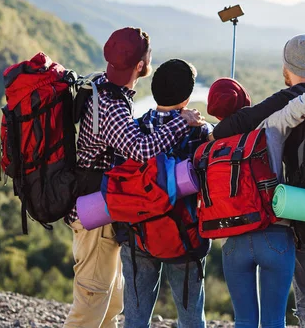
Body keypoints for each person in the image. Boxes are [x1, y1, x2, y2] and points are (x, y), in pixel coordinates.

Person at [210, 34, 305, 327]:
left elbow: (239, 125)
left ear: (287, 65)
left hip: (303, 216)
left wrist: (209, 133)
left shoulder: (276, 115)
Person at [63, 28, 203, 328]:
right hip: (94, 214)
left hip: (108, 208)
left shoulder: (104, 87)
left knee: (112, 302)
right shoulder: (112, 106)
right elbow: (141, 149)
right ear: (141, 65)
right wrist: (182, 121)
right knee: (92, 301)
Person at [120, 58, 211, 328]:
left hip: (138, 232)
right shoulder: (200, 132)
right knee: (192, 316)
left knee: (135, 317)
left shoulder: (135, 130)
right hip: (186, 233)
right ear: (186, 97)